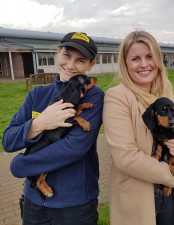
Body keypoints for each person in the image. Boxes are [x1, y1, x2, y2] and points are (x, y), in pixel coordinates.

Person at [2, 32, 104, 225]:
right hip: (33, 201)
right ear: (58, 53)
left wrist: (21, 165)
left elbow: (73, 148)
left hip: (75, 205)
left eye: (80, 60)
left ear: (90, 65)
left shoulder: (93, 96)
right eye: (66, 56)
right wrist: (39, 124)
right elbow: (7, 140)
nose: (71, 65)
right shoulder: (37, 94)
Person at [103, 30, 174, 225]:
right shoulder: (117, 97)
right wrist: (171, 175)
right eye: (135, 59)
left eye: (149, 57)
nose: (144, 64)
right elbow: (125, 157)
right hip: (138, 194)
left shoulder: (164, 92)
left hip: (169, 194)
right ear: (125, 63)